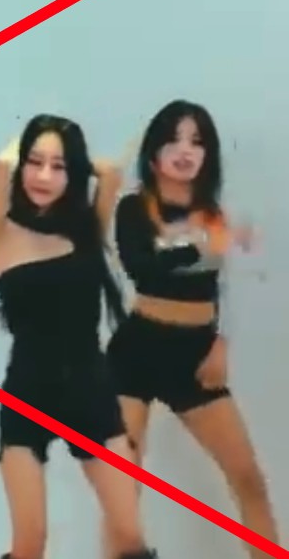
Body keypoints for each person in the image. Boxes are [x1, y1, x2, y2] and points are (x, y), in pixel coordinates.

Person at [0, 114, 157, 559]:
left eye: (58, 167)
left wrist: (79, 162)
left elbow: (110, 174)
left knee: (129, 536)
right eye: (35, 162)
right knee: (30, 544)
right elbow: (0, 167)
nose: (43, 176)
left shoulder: (86, 227)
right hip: (27, 392)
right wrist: (24, 155)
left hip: (91, 390)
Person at [104, 100, 278, 559]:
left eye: (197, 142)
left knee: (247, 478)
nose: (185, 150)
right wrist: (201, 244)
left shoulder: (214, 213)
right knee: (123, 488)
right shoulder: (133, 208)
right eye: (174, 139)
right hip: (137, 353)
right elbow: (143, 268)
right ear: (154, 152)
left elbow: (230, 285)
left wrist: (222, 343)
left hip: (196, 355)